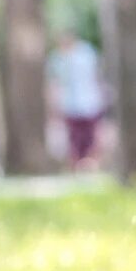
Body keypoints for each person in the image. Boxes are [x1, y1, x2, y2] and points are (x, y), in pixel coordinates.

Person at [46, 29, 106, 171]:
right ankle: (76, 164)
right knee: (74, 137)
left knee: (90, 136)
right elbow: (55, 83)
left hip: (89, 101)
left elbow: (96, 75)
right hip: (69, 104)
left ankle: (91, 164)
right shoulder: (57, 58)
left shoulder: (86, 54)